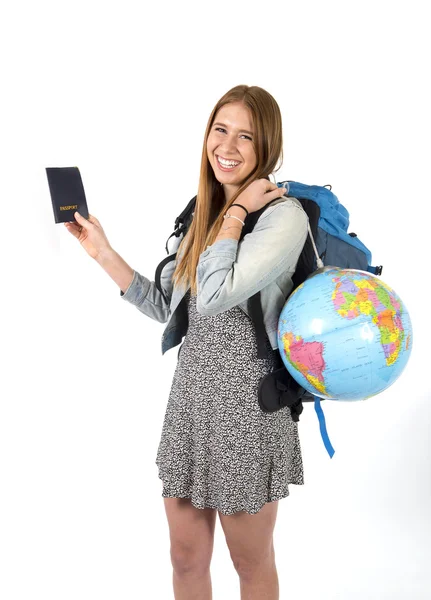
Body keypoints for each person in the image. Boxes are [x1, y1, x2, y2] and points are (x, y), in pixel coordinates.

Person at [65, 84, 309, 600]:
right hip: (192, 404)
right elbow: (171, 308)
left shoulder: (282, 217)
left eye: (246, 136)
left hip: (249, 411)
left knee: (251, 562)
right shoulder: (201, 212)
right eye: (221, 130)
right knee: (184, 558)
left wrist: (238, 211)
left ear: (267, 147)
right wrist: (102, 253)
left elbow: (218, 294)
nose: (229, 145)